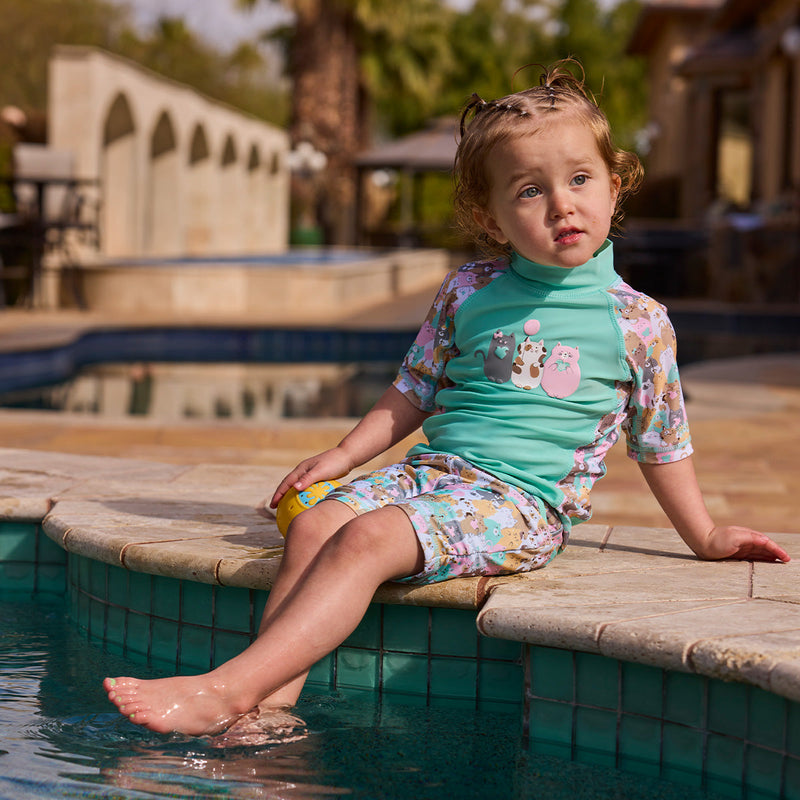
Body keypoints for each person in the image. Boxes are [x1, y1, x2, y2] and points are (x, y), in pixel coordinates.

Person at [104, 61, 789, 737]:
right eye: (529, 191)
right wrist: (343, 456)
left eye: (580, 180)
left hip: (520, 504)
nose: (562, 205)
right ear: (490, 217)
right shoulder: (469, 292)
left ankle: (228, 690)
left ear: (614, 187)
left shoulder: (637, 321)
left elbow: (661, 441)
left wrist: (704, 534)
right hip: (434, 477)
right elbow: (413, 392)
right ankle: (269, 715)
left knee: (367, 538)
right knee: (315, 525)